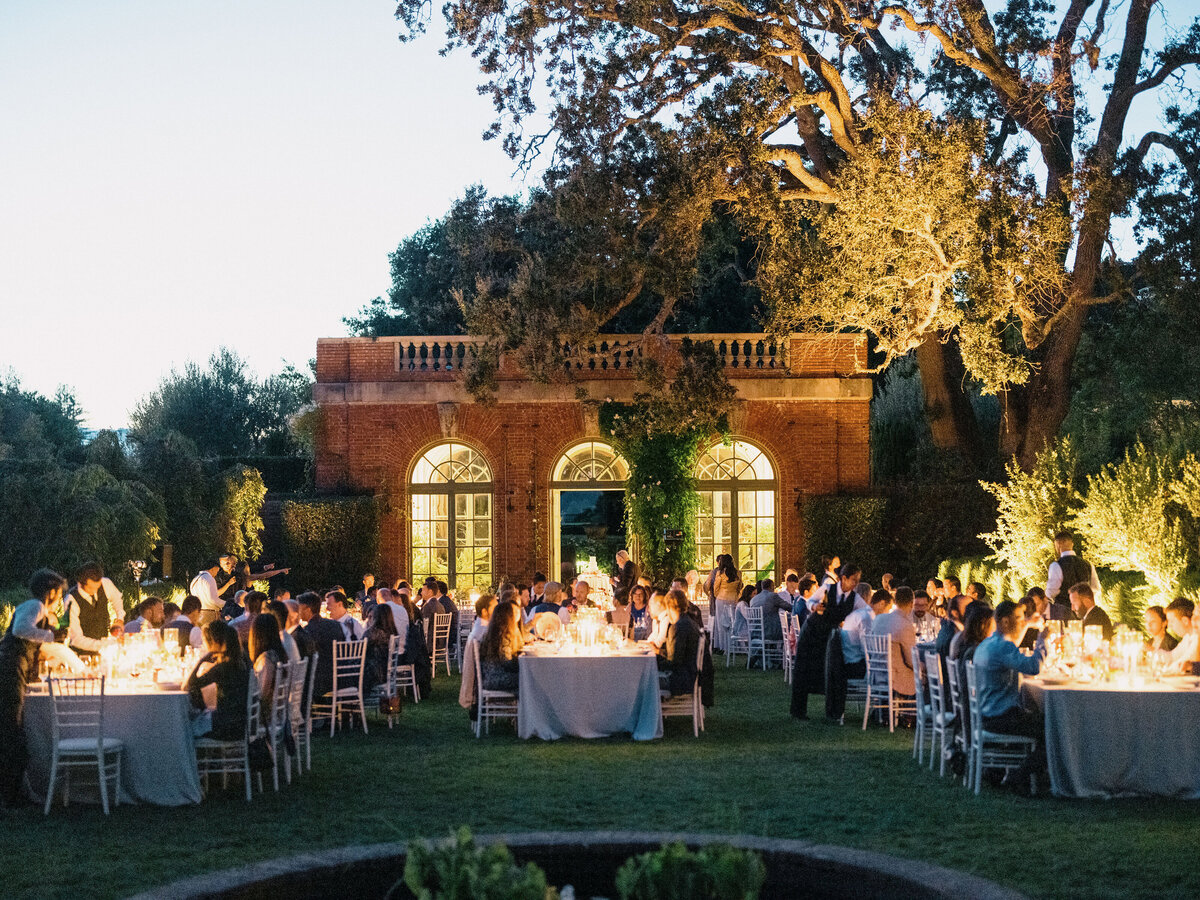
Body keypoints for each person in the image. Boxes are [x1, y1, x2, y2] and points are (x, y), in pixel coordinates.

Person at [0, 569, 76, 808]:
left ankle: (15, 792)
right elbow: (20, 630)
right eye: (58, 593)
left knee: (14, 728)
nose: (59, 599)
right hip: (10, 667)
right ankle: (9, 796)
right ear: (51, 590)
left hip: (15, 667)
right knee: (11, 728)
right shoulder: (34, 606)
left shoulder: (38, 609)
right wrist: (50, 635)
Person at [970, 600, 1048, 794]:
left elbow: (1013, 648)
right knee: (1054, 728)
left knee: (1038, 719)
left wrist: (1029, 624)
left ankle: (1003, 770)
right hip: (1000, 717)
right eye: (1019, 618)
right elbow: (1033, 667)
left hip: (986, 714)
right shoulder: (1003, 647)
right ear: (1005, 621)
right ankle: (1019, 775)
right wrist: (1043, 642)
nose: (1023, 622)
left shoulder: (989, 643)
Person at [790, 564, 859, 719]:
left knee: (829, 670)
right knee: (803, 670)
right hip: (812, 630)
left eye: (857, 581)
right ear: (844, 578)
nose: (855, 584)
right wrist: (815, 606)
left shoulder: (855, 597)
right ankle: (798, 711)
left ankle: (833, 712)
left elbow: (866, 612)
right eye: (853, 580)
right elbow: (809, 601)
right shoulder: (827, 588)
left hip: (827, 634)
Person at [826, 588, 891, 722]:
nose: (887, 614)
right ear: (881, 603)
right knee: (890, 670)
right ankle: (885, 713)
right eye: (887, 609)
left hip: (845, 662)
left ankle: (882, 711)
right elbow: (867, 648)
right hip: (854, 666)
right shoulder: (867, 617)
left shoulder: (859, 613)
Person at [185, 620, 250, 740]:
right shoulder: (243, 661)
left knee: (186, 729)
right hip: (241, 724)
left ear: (216, 642)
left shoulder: (222, 668)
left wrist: (202, 660)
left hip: (226, 728)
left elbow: (190, 684)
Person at [64, 562, 124, 653]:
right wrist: (105, 644)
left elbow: (117, 599)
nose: (95, 591)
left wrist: (119, 619)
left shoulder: (105, 583)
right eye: (91, 588)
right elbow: (76, 638)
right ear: (80, 583)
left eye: (97, 587)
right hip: (81, 653)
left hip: (102, 650)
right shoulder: (71, 600)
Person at [870, 585, 918, 698]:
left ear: (895, 601)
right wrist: (926, 667)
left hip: (876, 674)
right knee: (929, 677)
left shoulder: (878, 619)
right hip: (895, 677)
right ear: (912, 603)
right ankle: (913, 713)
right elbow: (911, 661)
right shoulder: (905, 625)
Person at [297, 591, 345, 701]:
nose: (298, 612)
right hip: (340, 677)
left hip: (321, 682)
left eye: (300, 608)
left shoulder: (308, 631)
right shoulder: (336, 625)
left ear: (308, 609)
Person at [657, 589, 701, 696]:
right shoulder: (690, 622)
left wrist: (653, 662)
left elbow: (674, 662)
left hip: (681, 681)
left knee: (644, 681)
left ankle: (652, 712)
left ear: (669, 607)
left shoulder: (678, 627)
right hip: (691, 676)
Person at [478, 601, 522, 694]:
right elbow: (506, 662)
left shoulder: (494, 632)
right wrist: (522, 660)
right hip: (496, 678)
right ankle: (527, 706)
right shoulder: (502, 636)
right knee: (528, 680)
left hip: (490, 675)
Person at [704, 554, 742, 649]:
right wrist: (735, 596)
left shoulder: (720, 573)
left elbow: (715, 588)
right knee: (733, 622)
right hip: (733, 599)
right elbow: (739, 587)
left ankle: (722, 646)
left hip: (721, 599)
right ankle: (732, 645)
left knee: (721, 624)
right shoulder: (738, 573)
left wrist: (718, 596)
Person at [189, 555, 237, 626]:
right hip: (210, 614)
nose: (216, 573)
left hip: (199, 613)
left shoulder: (195, 579)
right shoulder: (209, 578)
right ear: (213, 568)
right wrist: (228, 603)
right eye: (217, 571)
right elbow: (213, 599)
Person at [247, 613, 285, 703]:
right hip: (275, 708)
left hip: (263, 712)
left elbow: (262, 694)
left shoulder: (265, 660)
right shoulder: (277, 654)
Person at [363, 603, 399, 694]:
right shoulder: (392, 632)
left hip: (374, 673)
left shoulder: (374, 633)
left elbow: (359, 648)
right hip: (386, 671)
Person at [1162, 598, 1197, 670]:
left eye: (1171, 621)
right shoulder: (1187, 637)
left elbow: (1182, 662)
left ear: (1185, 621)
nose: (1169, 626)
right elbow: (1172, 656)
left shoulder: (1197, 639)